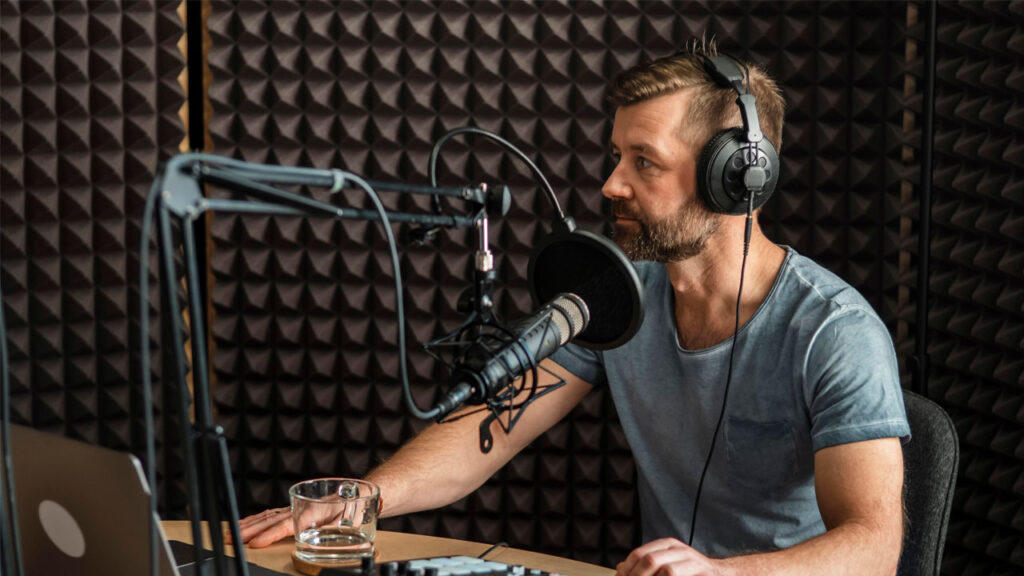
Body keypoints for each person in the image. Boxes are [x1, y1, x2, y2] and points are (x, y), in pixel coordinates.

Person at [235, 42, 910, 576]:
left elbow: (873, 549)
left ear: (736, 177)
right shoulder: (620, 295)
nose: (611, 183)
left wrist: (724, 574)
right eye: (618, 155)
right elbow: (491, 429)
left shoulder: (832, 333)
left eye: (644, 162)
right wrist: (365, 500)